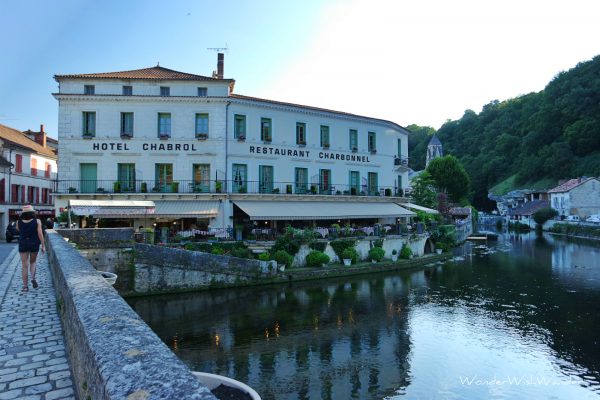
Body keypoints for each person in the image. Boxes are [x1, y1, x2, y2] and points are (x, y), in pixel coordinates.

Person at [16, 205, 46, 292]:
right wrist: (43, 245)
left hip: (23, 243)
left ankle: (25, 287)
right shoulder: (37, 221)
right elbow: (40, 234)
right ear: (32, 212)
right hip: (34, 243)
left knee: (24, 266)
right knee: (33, 262)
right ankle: (33, 278)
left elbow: (18, 230)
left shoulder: (19, 222)